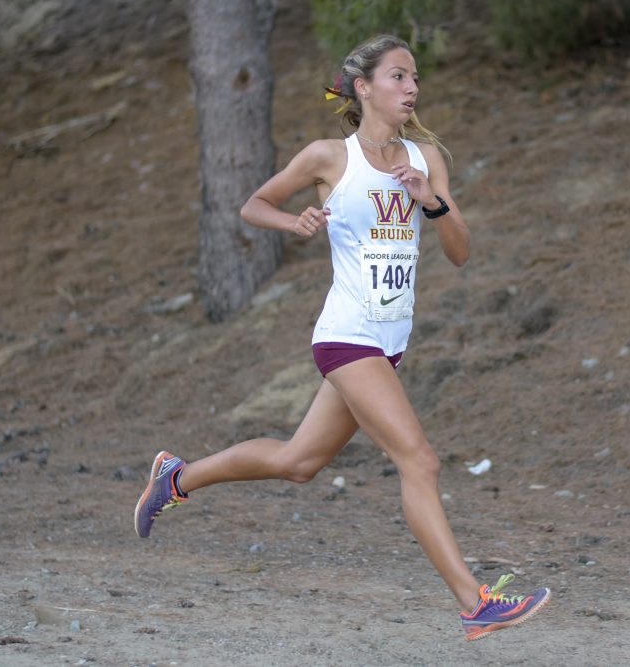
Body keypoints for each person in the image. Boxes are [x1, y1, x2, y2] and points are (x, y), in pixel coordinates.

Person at [134, 34, 550, 641]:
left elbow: (460, 252)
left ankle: (176, 477)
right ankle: (475, 603)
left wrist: (431, 201)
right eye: (399, 76)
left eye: (415, 78)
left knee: (299, 462)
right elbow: (254, 205)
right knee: (420, 461)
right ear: (364, 87)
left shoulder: (425, 158)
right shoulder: (330, 157)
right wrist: (294, 220)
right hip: (347, 335)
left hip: (390, 342)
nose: (412, 87)